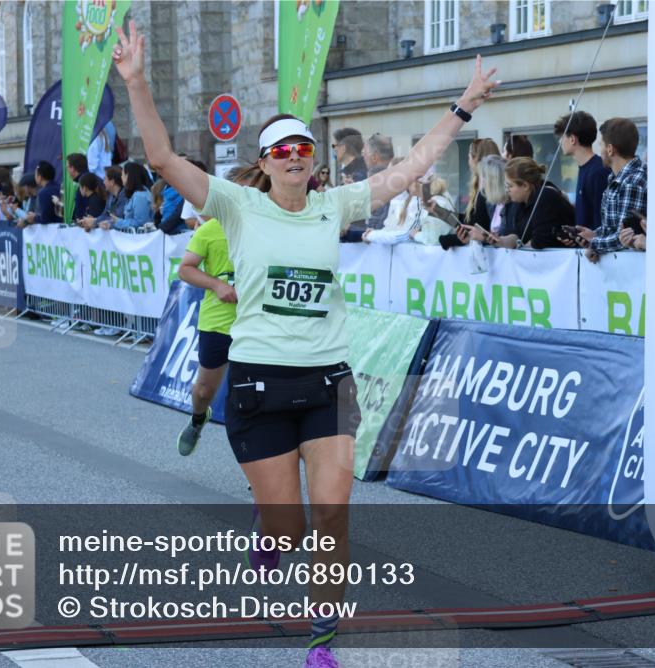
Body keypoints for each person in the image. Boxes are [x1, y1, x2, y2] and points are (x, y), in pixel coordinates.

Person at [112, 20, 499, 668]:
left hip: (329, 382)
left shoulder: (333, 206)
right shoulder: (236, 206)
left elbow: (407, 172)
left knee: (335, 513)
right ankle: (271, 535)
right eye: (281, 149)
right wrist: (136, 82)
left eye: (303, 147)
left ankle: (323, 639)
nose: (294, 155)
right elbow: (162, 160)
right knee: (289, 527)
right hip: (261, 385)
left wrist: (460, 109)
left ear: (312, 161)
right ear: (264, 163)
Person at [174, 170, 257, 456]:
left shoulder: (267, 230)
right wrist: (217, 284)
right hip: (218, 322)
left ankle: (259, 466)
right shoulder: (209, 229)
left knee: (249, 398)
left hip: (256, 324)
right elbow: (185, 269)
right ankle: (198, 419)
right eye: (241, 192)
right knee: (203, 392)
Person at [572, 117, 647, 262]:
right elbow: (612, 227)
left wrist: (594, 243)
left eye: (601, 145)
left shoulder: (633, 181)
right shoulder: (615, 178)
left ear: (610, 149)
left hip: (630, 271)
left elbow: (625, 237)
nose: (599, 152)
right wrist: (594, 234)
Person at [465, 157, 573, 249]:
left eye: (510, 186)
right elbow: (517, 236)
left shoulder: (545, 197)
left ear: (525, 186)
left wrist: (519, 251)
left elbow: (538, 241)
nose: (507, 190)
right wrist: (499, 241)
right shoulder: (521, 203)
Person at [437, 151, 506, 250]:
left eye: (469, 157)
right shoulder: (492, 202)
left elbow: (479, 230)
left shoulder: (489, 199)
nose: (480, 180)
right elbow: (474, 228)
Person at [554, 111, 609, 231]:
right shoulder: (586, 168)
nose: (559, 142)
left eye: (562, 137)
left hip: (594, 248)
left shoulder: (598, 171)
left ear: (573, 139)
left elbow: (600, 221)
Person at [80, 165, 127, 231]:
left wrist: (94, 221)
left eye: (105, 178)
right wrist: (93, 220)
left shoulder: (124, 196)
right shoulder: (110, 196)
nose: (103, 182)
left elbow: (116, 217)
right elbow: (104, 215)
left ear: (112, 182)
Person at [111, 162, 152, 231]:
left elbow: (140, 224)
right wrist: (116, 220)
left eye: (122, 174)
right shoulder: (135, 194)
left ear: (128, 176)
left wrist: (117, 221)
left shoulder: (140, 196)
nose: (121, 177)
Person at [21, 161, 62, 226]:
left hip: (53, 232)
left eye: (35, 174)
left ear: (39, 177)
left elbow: (45, 219)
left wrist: (34, 217)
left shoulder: (43, 192)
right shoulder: (60, 187)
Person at [67, 152, 89, 221]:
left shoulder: (84, 183)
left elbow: (82, 210)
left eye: (67, 167)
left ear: (72, 168)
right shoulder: (86, 179)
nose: (67, 170)